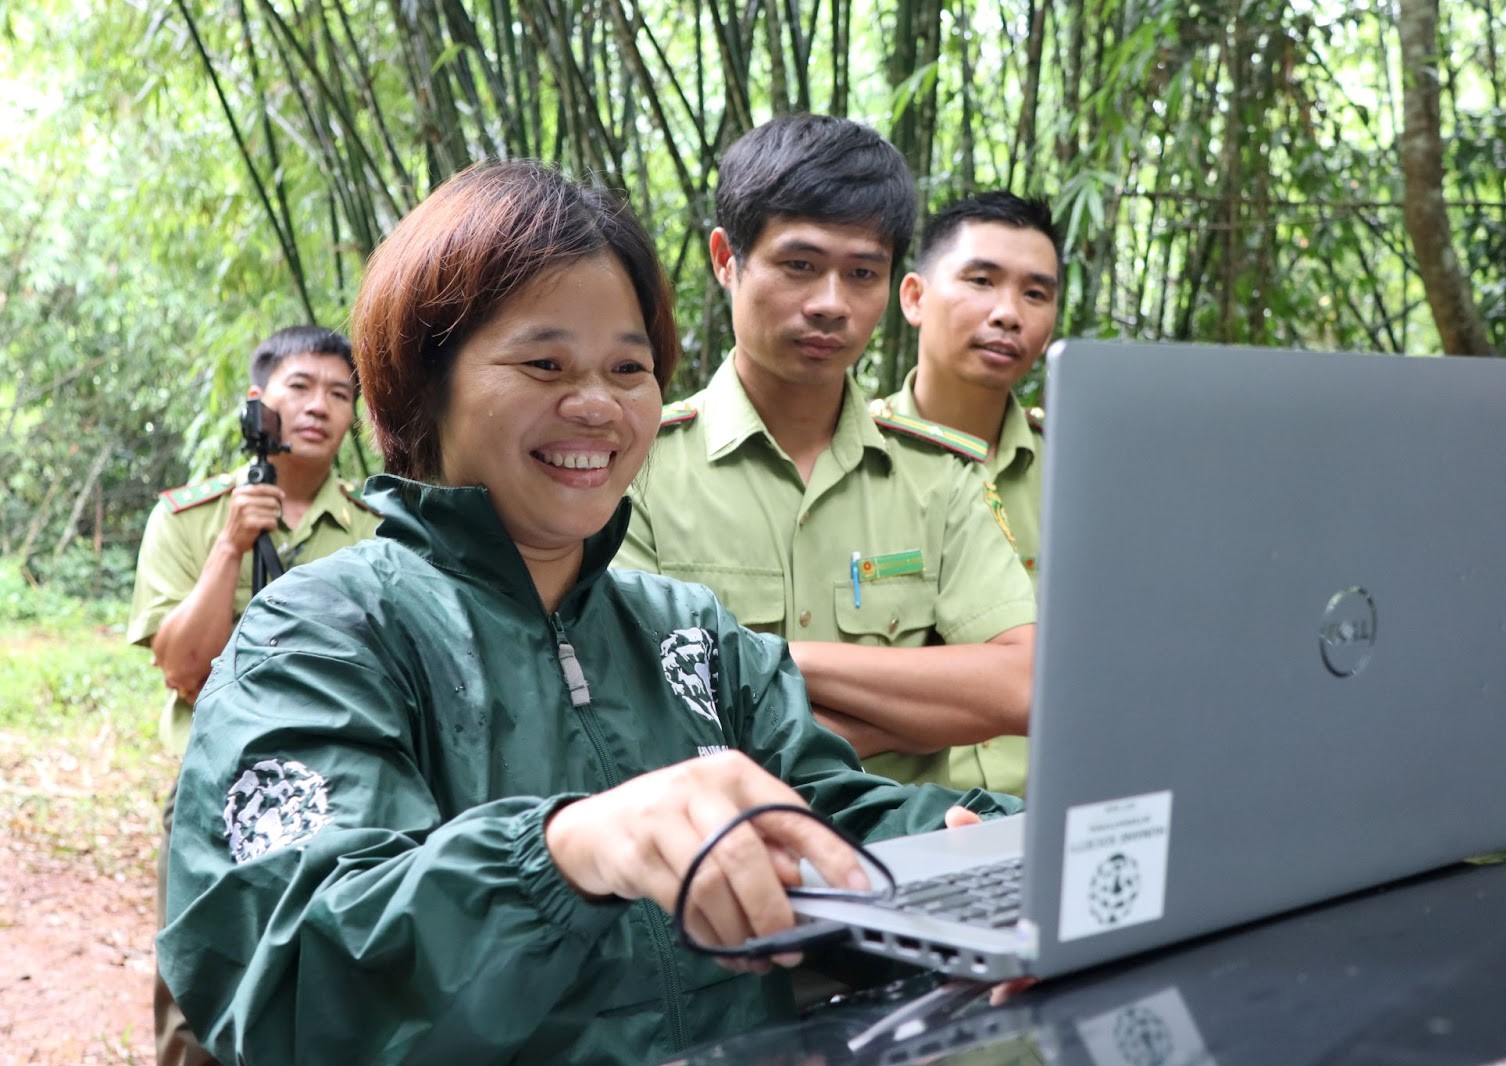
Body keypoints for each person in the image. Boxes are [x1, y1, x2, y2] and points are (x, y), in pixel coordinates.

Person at [154, 159, 1021, 1065]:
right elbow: (290, 967)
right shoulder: (323, 632)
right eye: (545, 362)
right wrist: (564, 853)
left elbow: (822, 817)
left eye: (629, 367)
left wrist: (976, 855)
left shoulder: (689, 631)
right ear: (423, 381)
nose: (599, 404)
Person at [614, 114, 1037, 794]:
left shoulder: (939, 476)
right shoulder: (635, 468)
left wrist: (757, 664)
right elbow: (626, 714)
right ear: (727, 259)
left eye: (863, 273)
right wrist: (924, 713)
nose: (830, 304)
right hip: (712, 863)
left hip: (904, 853)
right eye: (799, 265)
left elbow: (1024, 686)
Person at [127, 325, 377, 1066]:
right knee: (200, 995)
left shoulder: (378, 526)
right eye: (300, 387)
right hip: (217, 785)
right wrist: (232, 544)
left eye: (339, 394)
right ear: (258, 402)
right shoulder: (189, 516)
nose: (319, 407)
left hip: (349, 785)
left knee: (339, 987)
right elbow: (182, 667)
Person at [886, 192, 1064, 797]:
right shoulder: (851, 467)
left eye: (1035, 294)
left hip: (1053, 805)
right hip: (900, 823)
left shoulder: (1080, 473)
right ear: (914, 297)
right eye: (981, 281)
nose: (1008, 313)